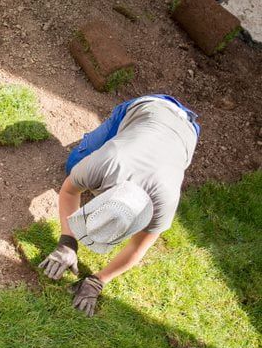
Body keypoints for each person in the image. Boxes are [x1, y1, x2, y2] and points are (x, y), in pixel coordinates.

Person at [39, 94, 200, 315]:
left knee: (80, 169)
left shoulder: (164, 204)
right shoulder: (107, 162)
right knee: (73, 165)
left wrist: (98, 281)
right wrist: (68, 242)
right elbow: (68, 190)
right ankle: (111, 135)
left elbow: (137, 249)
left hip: (187, 132)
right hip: (149, 107)